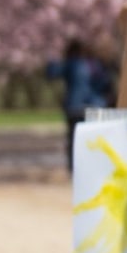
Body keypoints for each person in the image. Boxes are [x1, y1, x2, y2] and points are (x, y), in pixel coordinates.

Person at [45, 37, 115, 170]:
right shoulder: (96, 65)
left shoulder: (72, 63)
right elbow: (106, 84)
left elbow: (52, 73)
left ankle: (74, 169)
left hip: (75, 108)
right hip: (95, 107)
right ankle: (94, 167)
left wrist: (51, 56)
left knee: (74, 139)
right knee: (95, 139)